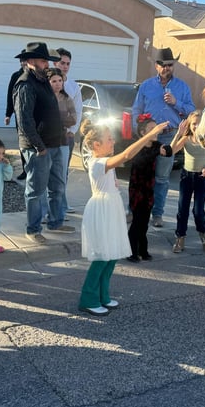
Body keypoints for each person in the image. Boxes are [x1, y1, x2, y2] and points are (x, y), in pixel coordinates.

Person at [78, 117, 169, 316]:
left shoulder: (105, 164)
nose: (113, 142)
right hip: (102, 210)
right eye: (109, 140)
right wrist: (152, 134)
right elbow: (127, 154)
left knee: (111, 256)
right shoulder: (97, 163)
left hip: (111, 209)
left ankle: (103, 295)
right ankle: (88, 298)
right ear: (96, 145)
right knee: (102, 256)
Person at [13, 42, 73, 244]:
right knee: (36, 191)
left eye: (47, 60)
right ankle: (33, 229)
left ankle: (56, 221)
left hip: (56, 143)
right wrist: (39, 147)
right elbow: (24, 120)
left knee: (58, 186)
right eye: (42, 60)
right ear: (30, 62)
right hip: (38, 148)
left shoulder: (43, 81)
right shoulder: (25, 84)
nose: (46, 63)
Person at [131, 47, 195, 228]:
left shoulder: (182, 87)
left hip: (169, 137)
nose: (167, 68)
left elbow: (191, 111)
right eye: (163, 65)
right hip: (148, 137)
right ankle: (134, 210)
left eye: (170, 65)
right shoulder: (146, 86)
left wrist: (176, 103)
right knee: (140, 176)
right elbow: (137, 109)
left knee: (161, 178)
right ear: (156, 65)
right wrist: (138, 130)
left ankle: (157, 214)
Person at [168, 111, 205, 253]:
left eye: (199, 123)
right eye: (194, 124)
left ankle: (203, 235)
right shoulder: (186, 139)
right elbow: (171, 151)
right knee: (182, 209)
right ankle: (180, 238)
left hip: (201, 178)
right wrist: (178, 134)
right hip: (186, 177)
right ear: (190, 124)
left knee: (198, 211)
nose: (196, 126)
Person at [126, 115, 172, 263]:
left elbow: (169, 151)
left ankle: (143, 250)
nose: (156, 131)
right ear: (142, 133)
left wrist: (180, 135)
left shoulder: (156, 145)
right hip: (136, 190)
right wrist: (157, 151)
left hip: (148, 189)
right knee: (137, 222)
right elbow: (142, 160)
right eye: (151, 129)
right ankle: (131, 251)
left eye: (156, 128)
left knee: (144, 222)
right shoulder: (137, 146)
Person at [54, 47, 83, 213]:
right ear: (55, 63)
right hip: (51, 135)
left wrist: (73, 129)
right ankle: (51, 207)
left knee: (63, 170)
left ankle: (62, 204)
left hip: (67, 135)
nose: (65, 66)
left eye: (68, 64)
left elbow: (78, 110)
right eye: (62, 63)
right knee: (52, 171)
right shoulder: (48, 83)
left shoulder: (73, 87)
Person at [46, 67, 77, 213]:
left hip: (63, 141)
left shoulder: (67, 99)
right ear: (48, 82)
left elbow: (73, 118)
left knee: (60, 176)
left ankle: (59, 211)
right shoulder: (45, 98)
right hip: (47, 142)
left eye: (60, 81)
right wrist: (59, 120)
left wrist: (59, 121)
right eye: (54, 81)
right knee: (46, 176)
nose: (57, 84)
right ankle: (45, 211)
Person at [5, 51, 28, 181]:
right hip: (20, 116)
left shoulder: (38, 76)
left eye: (26, 60)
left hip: (36, 117)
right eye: (22, 61)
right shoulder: (16, 76)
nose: (24, 63)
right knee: (23, 143)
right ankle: (26, 169)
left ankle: (34, 169)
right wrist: (8, 114)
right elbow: (10, 95)